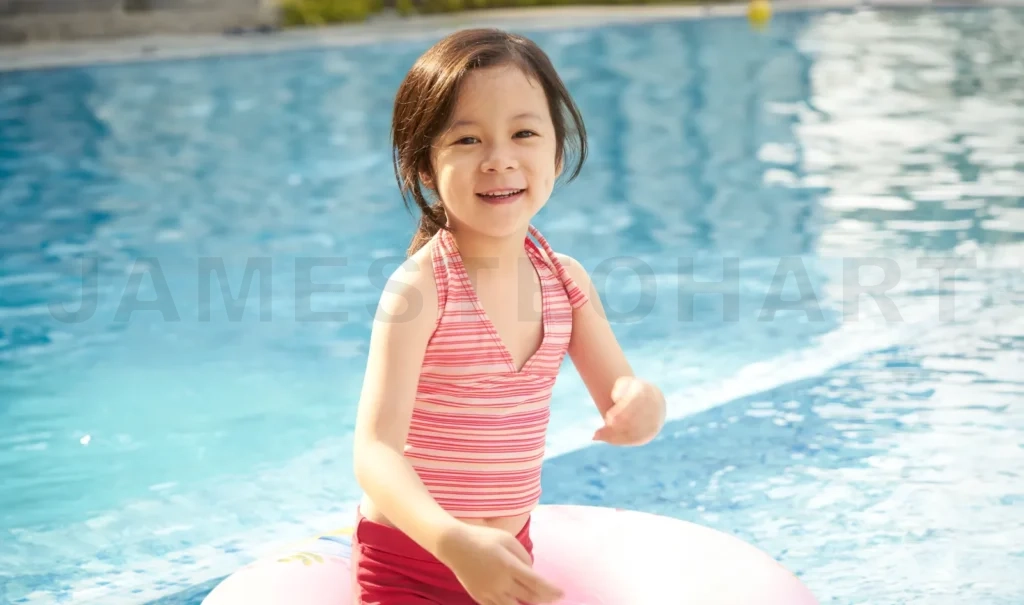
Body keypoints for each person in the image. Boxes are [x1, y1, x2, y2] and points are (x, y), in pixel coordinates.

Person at [351, 28, 667, 605]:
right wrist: (452, 540)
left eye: (523, 133)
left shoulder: (565, 281)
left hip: (513, 557)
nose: (500, 159)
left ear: (556, 151)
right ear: (424, 165)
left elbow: (619, 390)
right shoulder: (420, 289)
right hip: (413, 560)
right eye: (467, 139)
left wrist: (644, 405)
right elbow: (374, 453)